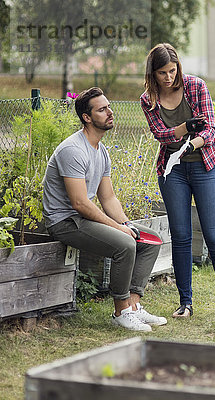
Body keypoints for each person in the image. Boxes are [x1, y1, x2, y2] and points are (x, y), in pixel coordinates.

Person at [42, 87, 167, 332]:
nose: (110, 112)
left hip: (82, 219)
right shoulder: (73, 150)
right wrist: (119, 229)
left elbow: (108, 198)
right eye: (102, 109)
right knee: (125, 244)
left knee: (151, 239)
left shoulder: (102, 151)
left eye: (109, 107)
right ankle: (121, 311)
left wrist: (127, 224)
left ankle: (133, 305)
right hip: (65, 222)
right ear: (86, 117)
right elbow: (79, 203)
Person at [140, 43, 215, 322]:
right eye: (162, 73)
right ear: (153, 73)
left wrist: (190, 143)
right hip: (173, 172)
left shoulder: (195, 86)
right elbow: (162, 136)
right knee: (181, 237)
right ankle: (185, 303)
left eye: (172, 71)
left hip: (205, 166)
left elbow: (209, 129)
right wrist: (186, 127)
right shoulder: (148, 100)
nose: (168, 77)